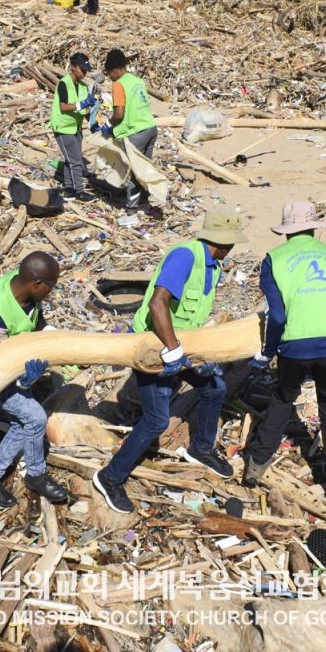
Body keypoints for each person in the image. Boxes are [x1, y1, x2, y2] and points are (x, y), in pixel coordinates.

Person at [93, 209, 248, 513]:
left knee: (214, 387)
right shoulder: (185, 257)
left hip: (180, 343)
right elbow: (157, 303)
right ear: (225, 242)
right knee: (156, 420)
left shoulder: (213, 265)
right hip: (152, 345)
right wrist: (173, 349)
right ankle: (110, 477)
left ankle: (201, 449)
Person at [242, 202, 326, 504]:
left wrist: (267, 352)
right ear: (313, 228)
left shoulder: (274, 259)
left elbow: (278, 316)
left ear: (286, 232)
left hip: (294, 346)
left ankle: (256, 464)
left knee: (284, 398)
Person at [0, 253, 70, 507]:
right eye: (51, 286)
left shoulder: (25, 290)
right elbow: (1, 363)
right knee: (35, 418)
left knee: (22, 424)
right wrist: (22, 382)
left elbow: (35, 322)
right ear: (37, 283)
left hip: (9, 358)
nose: (52, 292)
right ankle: (36, 474)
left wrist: (50, 334)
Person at [99, 48, 158, 208]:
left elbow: (119, 114)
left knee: (131, 171)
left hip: (135, 132)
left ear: (115, 69)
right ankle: (144, 200)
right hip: (151, 128)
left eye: (109, 73)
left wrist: (109, 126)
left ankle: (131, 209)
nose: (110, 78)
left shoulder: (119, 84)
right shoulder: (137, 81)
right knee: (144, 167)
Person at [50, 52, 96, 200]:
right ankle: (79, 191)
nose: (84, 73)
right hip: (63, 127)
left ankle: (69, 189)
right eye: (82, 69)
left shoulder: (83, 86)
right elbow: (63, 107)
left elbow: (86, 109)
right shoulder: (64, 83)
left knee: (70, 159)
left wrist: (92, 124)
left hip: (75, 126)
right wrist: (81, 104)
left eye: (86, 70)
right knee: (76, 161)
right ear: (73, 67)